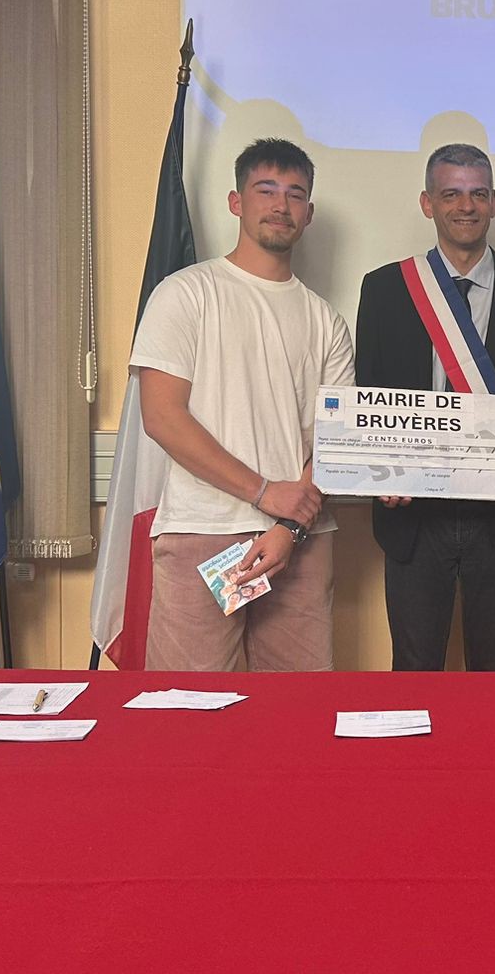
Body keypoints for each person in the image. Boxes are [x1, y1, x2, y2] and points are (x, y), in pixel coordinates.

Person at [131, 137, 353, 672]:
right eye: (266, 190)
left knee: (295, 708)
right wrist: (263, 492)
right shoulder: (185, 293)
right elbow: (162, 417)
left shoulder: (325, 320)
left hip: (299, 542)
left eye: (295, 194)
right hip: (205, 533)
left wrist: (289, 527)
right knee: (191, 706)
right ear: (236, 202)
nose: (281, 205)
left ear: (309, 213)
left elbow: (337, 438)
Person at [355, 143, 495, 671]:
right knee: (414, 669)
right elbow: (368, 392)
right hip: (413, 516)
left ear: (493, 202)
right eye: (451, 194)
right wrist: (379, 474)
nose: (465, 206)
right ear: (427, 203)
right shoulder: (384, 289)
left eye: (477, 194)